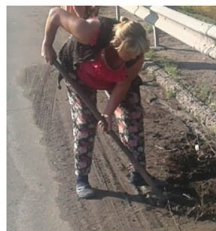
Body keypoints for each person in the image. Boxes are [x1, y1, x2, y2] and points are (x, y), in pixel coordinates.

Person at [41, 8, 150, 198]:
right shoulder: (90, 31)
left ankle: (139, 174)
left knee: (132, 114)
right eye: (127, 56)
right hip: (80, 71)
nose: (132, 60)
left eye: (135, 57)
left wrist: (108, 113)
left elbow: (123, 85)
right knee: (85, 120)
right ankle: (82, 178)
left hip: (112, 79)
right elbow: (55, 14)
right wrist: (47, 45)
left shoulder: (136, 58)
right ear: (115, 45)